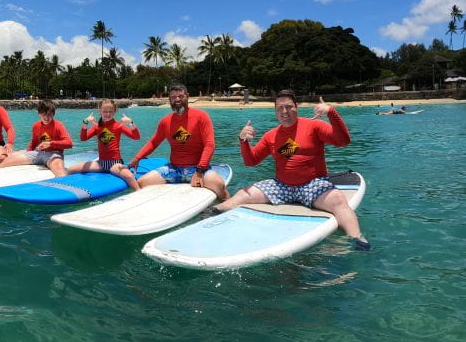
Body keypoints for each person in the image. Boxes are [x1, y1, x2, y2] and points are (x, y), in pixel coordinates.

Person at [219, 90, 370, 250]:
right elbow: (251, 161)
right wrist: (243, 140)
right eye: (280, 108)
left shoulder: (314, 126)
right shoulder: (271, 135)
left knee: (338, 200)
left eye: (289, 107)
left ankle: (357, 239)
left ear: (296, 107)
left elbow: (343, 141)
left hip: (312, 184)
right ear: (275, 112)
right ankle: (213, 212)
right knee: (243, 194)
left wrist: (331, 112)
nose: (285, 112)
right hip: (281, 186)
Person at [129, 84, 228, 200]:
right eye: (173, 97)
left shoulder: (201, 117)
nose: (177, 99)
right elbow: (153, 143)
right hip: (174, 169)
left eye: (180, 96)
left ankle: (228, 209)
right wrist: (137, 158)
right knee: (141, 182)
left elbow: (210, 144)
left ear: (187, 97)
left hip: (199, 168)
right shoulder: (165, 121)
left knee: (219, 185)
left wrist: (200, 171)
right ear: (169, 99)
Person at [69, 99, 140, 190]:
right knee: (71, 169)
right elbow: (83, 138)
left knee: (130, 176)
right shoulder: (97, 127)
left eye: (111, 111)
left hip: (114, 164)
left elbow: (136, 137)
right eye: (105, 111)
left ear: (115, 111)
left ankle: (139, 193)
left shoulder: (119, 126)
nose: (108, 114)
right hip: (101, 164)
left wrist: (131, 123)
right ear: (100, 111)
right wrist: (85, 122)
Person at [0, 99, 72, 176]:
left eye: (49, 114)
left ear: (53, 114)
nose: (46, 117)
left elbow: (69, 143)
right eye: (44, 114)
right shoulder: (36, 126)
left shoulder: (59, 125)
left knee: (60, 172)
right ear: (39, 114)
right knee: (9, 160)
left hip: (54, 155)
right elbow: (34, 141)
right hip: (37, 153)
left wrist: (51, 144)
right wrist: (28, 152)